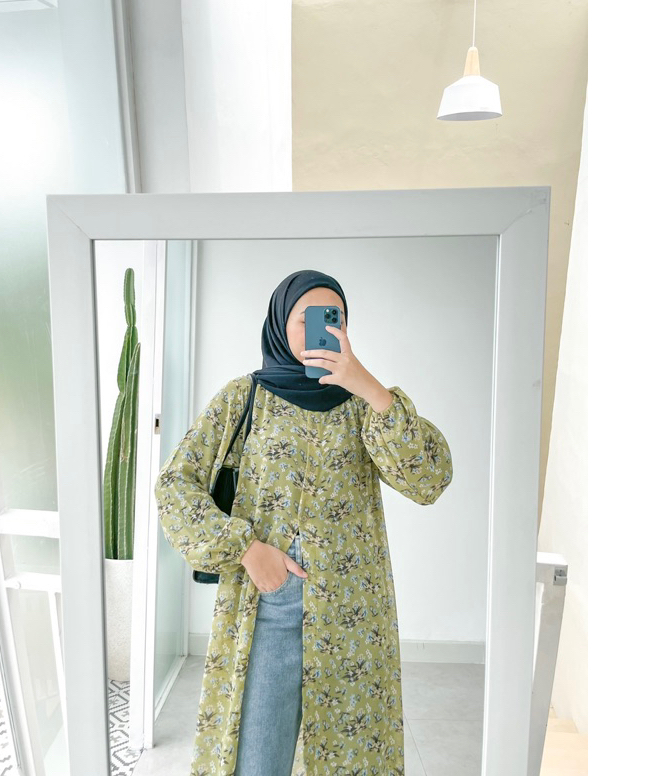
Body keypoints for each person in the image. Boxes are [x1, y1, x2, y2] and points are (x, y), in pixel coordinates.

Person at [155, 269, 453, 776]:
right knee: (257, 759)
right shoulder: (243, 397)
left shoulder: (365, 408)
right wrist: (246, 549)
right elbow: (174, 486)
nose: (324, 330)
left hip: (352, 617)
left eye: (335, 319)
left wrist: (372, 388)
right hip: (264, 609)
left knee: (349, 761)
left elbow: (430, 479)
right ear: (279, 323)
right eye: (307, 318)